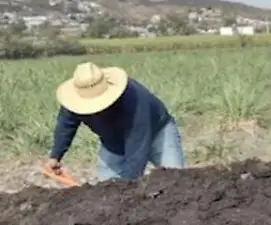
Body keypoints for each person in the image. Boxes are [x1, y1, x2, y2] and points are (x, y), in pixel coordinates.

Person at [43, 62, 185, 182]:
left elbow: (136, 152)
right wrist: (55, 156)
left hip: (158, 133)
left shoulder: (134, 101)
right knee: (108, 190)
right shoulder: (73, 101)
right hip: (113, 142)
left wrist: (129, 186)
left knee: (174, 182)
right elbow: (66, 126)